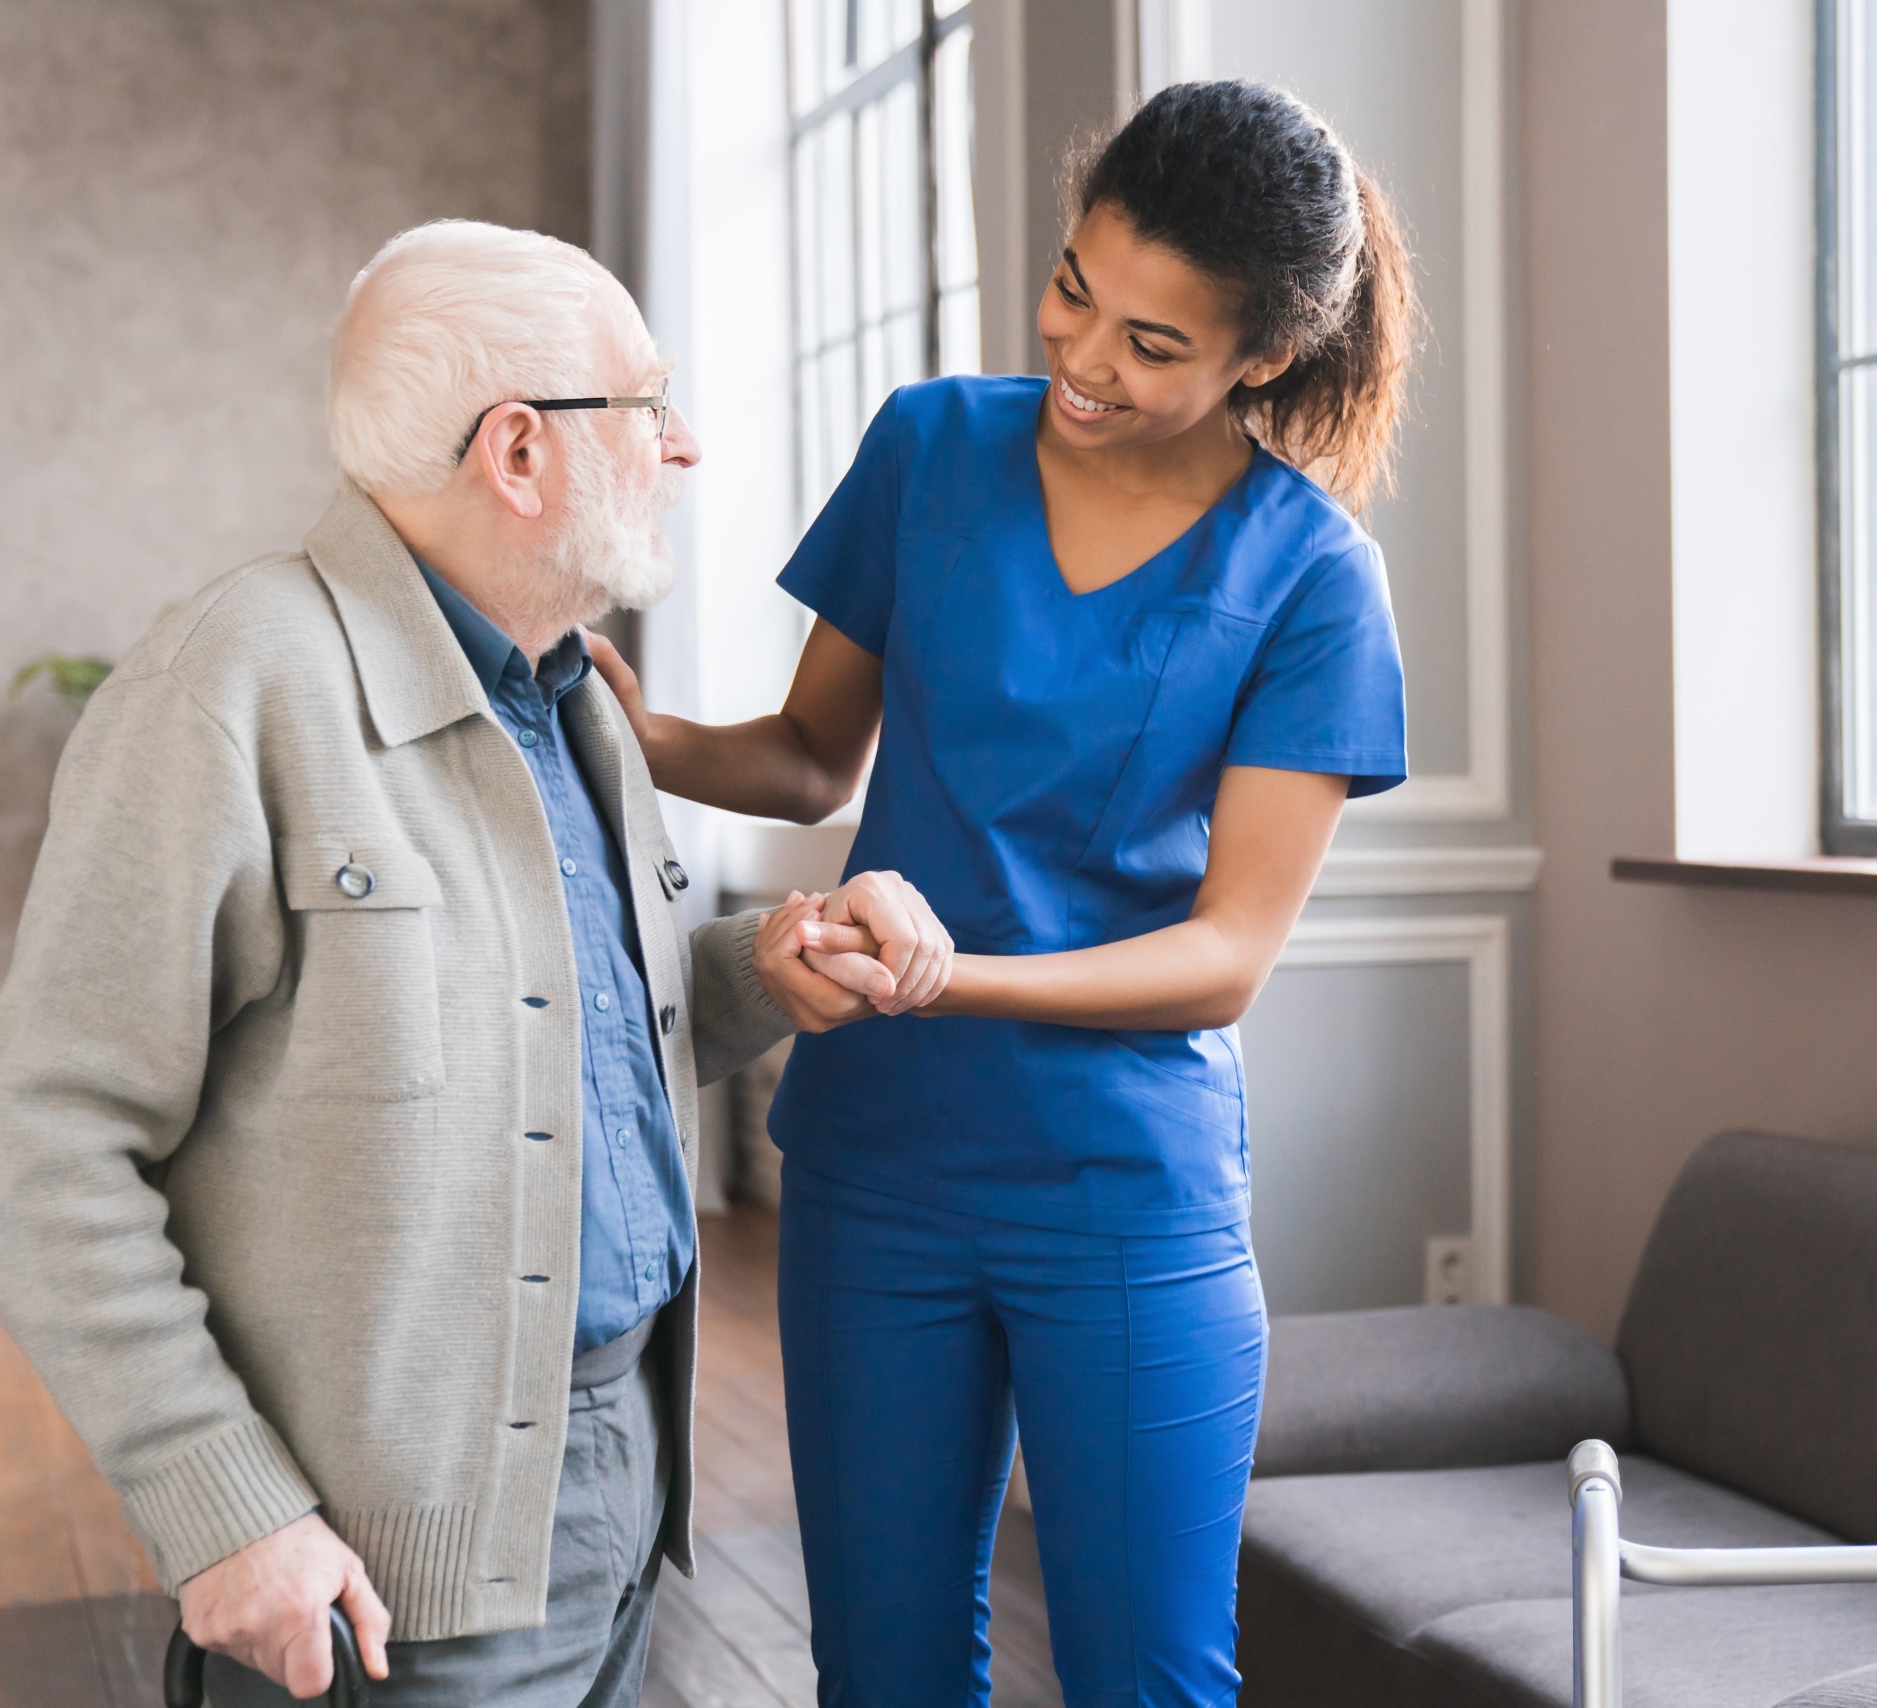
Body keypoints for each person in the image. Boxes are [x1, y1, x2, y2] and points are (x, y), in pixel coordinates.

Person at [0, 220, 943, 1707]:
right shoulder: (229, 685)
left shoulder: (578, 702)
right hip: (378, 1576)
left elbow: (560, 1023)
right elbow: (38, 1145)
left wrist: (762, 964)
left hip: (624, 1478)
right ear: (521, 454)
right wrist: (234, 1515)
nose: (683, 448)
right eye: (647, 404)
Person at [595, 80, 1415, 1703]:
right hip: (874, 1171)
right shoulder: (932, 445)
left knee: (1146, 1682)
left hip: (1123, 1196)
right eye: (1073, 290)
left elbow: (1225, 956)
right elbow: (817, 758)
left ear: (1261, 358)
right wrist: (643, 733)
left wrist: (941, 977)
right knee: (885, 1675)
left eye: (1155, 345)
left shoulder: (1314, 577)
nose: (1086, 359)